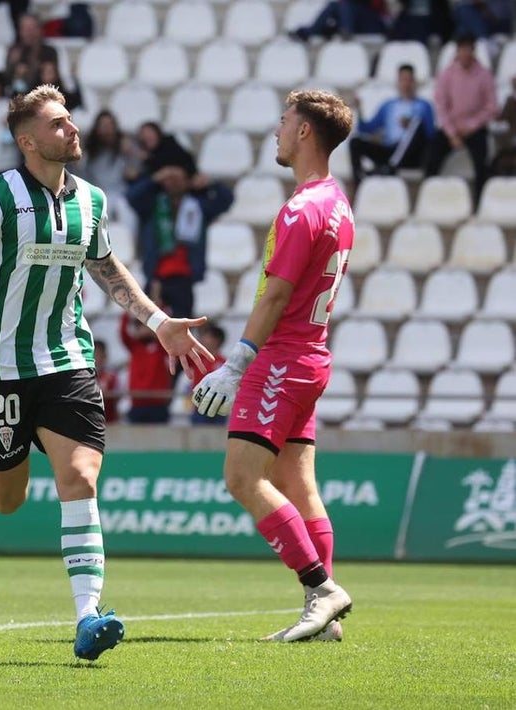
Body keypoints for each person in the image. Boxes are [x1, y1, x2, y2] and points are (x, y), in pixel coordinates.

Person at [0, 84, 213, 662]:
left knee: (80, 476)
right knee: (6, 499)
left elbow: (106, 268)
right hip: (1, 366)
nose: (72, 129)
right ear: (27, 141)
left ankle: (87, 615)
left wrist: (158, 322)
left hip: (68, 361)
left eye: (70, 119)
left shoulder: (92, 200)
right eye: (58, 124)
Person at [192, 90, 356, 642]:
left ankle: (322, 589)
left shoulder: (302, 207)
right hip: (312, 356)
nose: (277, 131)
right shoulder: (337, 203)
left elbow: (276, 295)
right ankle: (326, 615)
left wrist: (237, 363)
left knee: (242, 478)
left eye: (285, 122)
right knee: (299, 484)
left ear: (306, 132)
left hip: (281, 359)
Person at [126, 166, 234, 320]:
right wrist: (152, 179)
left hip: (184, 277)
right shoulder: (152, 206)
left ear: (188, 181)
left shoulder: (198, 206)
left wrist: (211, 183)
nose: (174, 183)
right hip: (156, 275)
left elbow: (227, 200)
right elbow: (132, 197)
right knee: (149, 327)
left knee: (182, 326)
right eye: (169, 178)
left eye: (178, 179)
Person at [425, 33, 497, 206]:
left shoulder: (484, 75)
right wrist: (452, 133)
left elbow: (492, 107)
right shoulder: (447, 74)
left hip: (475, 129)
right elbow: (441, 106)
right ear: (457, 51)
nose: (465, 53)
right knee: (431, 157)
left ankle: (480, 202)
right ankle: (428, 198)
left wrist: (471, 126)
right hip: (451, 129)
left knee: (482, 161)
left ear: (473, 50)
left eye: (468, 49)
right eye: (462, 49)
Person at [348, 64, 435, 190]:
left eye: (409, 80)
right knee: (355, 142)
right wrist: (359, 110)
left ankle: (389, 166)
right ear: (398, 82)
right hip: (389, 149)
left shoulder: (424, 106)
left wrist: (411, 125)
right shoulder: (388, 105)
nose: (406, 84)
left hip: (412, 155)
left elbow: (430, 134)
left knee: (416, 123)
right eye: (403, 80)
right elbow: (366, 129)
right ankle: (359, 181)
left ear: (414, 82)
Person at [119, 309, 173, 424]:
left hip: (158, 404)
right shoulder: (134, 346)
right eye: (140, 326)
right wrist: (126, 313)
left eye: (146, 326)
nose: (143, 329)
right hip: (137, 404)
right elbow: (123, 332)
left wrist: (157, 310)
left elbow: (166, 330)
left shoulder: (161, 347)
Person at [188, 323, 226, 426]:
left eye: (207, 336)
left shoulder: (224, 362)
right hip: (200, 406)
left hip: (218, 408)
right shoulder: (197, 359)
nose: (202, 339)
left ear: (216, 340)